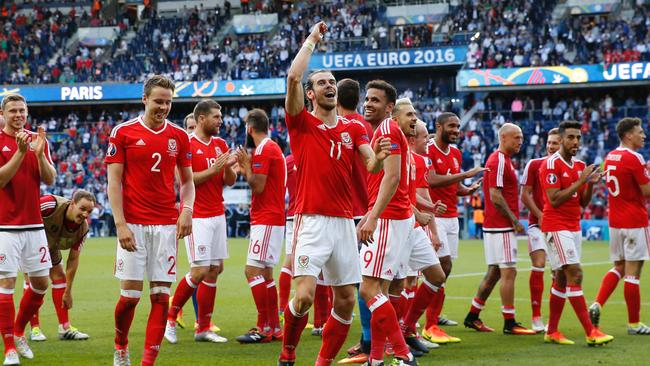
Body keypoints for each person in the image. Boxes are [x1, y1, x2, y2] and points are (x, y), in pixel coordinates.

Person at [278, 21, 391, 366]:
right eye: (322, 83)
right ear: (311, 94)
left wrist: (380, 158)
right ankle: (288, 351)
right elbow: (293, 78)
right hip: (309, 220)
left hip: (344, 223)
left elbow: (370, 165)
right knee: (305, 297)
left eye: (331, 82)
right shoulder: (301, 123)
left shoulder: (353, 128)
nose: (329, 86)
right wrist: (312, 39)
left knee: (345, 301)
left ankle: (323, 362)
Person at [106, 75, 195, 366]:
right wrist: (120, 224)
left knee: (160, 298)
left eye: (168, 102)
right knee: (130, 297)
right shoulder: (123, 132)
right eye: (158, 101)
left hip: (166, 226)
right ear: (144, 99)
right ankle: (121, 346)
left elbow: (187, 182)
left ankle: (147, 362)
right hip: (133, 224)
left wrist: (187, 210)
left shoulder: (179, 136)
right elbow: (114, 182)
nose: (163, 107)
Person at [357, 82, 418, 366]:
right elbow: (375, 168)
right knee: (381, 290)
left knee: (368, 289)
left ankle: (404, 355)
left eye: (376, 100)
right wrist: (375, 159)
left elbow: (391, 178)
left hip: (389, 218)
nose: (368, 104)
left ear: (389, 107)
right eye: (367, 99)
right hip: (398, 218)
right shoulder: (384, 133)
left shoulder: (387, 129)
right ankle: (376, 358)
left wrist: (372, 216)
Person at [165, 99, 233, 345]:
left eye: (221, 116)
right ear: (202, 118)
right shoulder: (186, 144)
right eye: (216, 117)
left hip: (218, 214)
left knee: (215, 270)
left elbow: (229, 180)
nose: (220, 121)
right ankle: (170, 318)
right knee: (200, 270)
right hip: (198, 215)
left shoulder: (220, 144)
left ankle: (203, 327)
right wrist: (215, 170)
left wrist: (230, 167)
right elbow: (185, 180)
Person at [539, 120, 613, 346]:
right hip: (556, 225)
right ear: (561, 139)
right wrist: (581, 180)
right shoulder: (551, 165)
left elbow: (581, 202)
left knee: (561, 278)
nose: (576, 142)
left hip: (573, 226)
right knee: (575, 273)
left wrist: (590, 184)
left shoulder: (580, 165)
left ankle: (551, 330)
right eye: (571, 137)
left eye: (578, 138)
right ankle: (591, 331)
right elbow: (554, 199)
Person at [463, 123, 535, 335]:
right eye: (516, 137)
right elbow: (495, 195)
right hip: (501, 226)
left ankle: (472, 315)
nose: (520, 141)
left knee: (494, 272)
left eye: (521, 138)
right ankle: (509, 322)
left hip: (495, 225)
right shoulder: (499, 160)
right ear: (503, 138)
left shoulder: (503, 160)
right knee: (509, 271)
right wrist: (514, 219)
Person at [0, 93, 56, 365]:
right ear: (4, 113)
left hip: (34, 224)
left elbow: (50, 178)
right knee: (7, 283)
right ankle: (9, 348)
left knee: (41, 283)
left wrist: (38, 155)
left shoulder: (38, 139)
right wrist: (21, 154)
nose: (18, 115)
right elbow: (0, 181)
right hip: (5, 225)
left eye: (22, 110)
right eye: (13, 111)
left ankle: (19, 331)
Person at [390, 104, 449, 355]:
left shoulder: (415, 160)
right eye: (410, 117)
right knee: (398, 285)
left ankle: (407, 328)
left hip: (412, 225)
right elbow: (396, 192)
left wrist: (429, 206)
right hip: (398, 225)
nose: (414, 121)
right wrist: (420, 213)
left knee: (436, 276)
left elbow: (412, 194)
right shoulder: (395, 152)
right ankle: (392, 342)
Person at [590, 117, 650, 335]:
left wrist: (645, 170)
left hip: (615, 220)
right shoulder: (634, 157)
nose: (643, 135)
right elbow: (646, 191)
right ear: (628, 135)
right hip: (634, 220)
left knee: (619, 267)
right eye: (640, 132)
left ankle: (597, 303)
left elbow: (626, 179)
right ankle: (634, 324)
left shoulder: (611, 156)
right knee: (633, 272)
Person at [425, 113, 483, 338]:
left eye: (458, 126)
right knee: (441, 266)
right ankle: (427, 324)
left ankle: (434, 316)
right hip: (433, 214)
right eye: (451, 126)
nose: (456, 130)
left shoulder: (456, 153)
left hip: (451, 217)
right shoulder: (429, 148)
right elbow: (430, 180)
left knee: (444, 271)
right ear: (438, 126)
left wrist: (465, 189)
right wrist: (466, 174)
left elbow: (451, 185)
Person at [235, 109, 287, 343]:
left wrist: (246, 166)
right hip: (270, 217)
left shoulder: (264, 149)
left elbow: (258, 186)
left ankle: (263, 326)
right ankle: (274, 328)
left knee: (252, 271)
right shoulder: (270, 147)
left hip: (267, 218)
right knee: (266, 273)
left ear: (249, 128)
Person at [336, 77, 375, 364]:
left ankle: (369, 341)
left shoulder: (343, 128)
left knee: (360, 282)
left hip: (347, 213)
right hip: (366, 210)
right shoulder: (368, 126)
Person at [27, 190, 96, 342]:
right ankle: (35, 329)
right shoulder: (50, 204)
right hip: (28, 241)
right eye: (82, 209)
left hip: (50, 247)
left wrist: (68, 291)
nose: (85, 214)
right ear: (72, 204)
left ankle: (64, 328)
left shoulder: (83, 229)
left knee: (60, 277)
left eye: (89, 211)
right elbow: (26, 211)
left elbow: (73, 260)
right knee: (34, 281)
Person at [520, 128, 561, 332]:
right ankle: (536, 316)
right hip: (537, 223)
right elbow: (524, 194)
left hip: (559, 225)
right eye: (549, 142)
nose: (551, 146)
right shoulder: (534, 164)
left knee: (558, 271)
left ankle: (553, 320)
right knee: (539, 263)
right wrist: (540, 215)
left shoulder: (569, 168)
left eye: (556, 143)